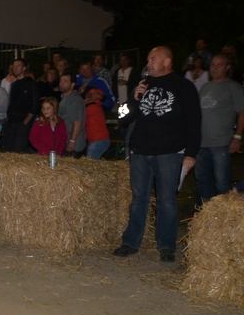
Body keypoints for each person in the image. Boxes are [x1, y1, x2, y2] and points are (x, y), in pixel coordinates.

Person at [113, 46, 201, 263]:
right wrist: (133, 99)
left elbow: (194, 121)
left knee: (167, 200)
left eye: (153, 59)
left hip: (169, 153)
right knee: (138, 199)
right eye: (148, 59)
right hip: (140, 152)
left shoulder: (183, 86)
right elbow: (122, 118)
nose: (148, 63)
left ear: (167, 62)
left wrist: (191, 153)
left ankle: (166, 245)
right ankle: (131, 242)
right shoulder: (142, 85)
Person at [195, 54, 244, 203]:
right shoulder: (205, 87)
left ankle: (225, 213)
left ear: (227, 67)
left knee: (222, 183)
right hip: (201, 143)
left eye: (219, 65)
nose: (215, 68)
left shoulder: (233, 87)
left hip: (221, 143)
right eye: (212, 65)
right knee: (203, 181)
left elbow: (242, 113)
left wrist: (237, 137)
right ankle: (206, 213)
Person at [0, 58, 38, 152]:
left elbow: (35, 104)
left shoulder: (30, 83)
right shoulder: (14, 84)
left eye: (18, 65)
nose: (15, 68)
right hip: (11, 121)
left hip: (23, 122)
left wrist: (25, 122)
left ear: (24, 68)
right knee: (8, 149)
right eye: (14, 66)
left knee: (19, 149)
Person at [57, 73, 86, 157]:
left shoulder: (74, 99)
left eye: (65, 81)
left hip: (74, 145)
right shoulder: (65, 98)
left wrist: (72, 141)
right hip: (67, 141)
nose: (61, 83)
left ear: (72, 84)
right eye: (61, 81)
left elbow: (77, 122)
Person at [84, 88, 111, 159]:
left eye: (90, 95)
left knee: (90, 161)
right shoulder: (97, 106)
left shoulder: (92, 107)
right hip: (99, 139)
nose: (88, 96)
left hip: (98, 140)